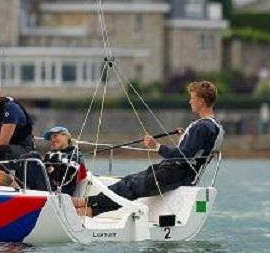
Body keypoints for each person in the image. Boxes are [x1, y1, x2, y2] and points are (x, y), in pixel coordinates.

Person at [77, 81, 224, 217]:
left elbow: (183, 156)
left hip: (175, 173)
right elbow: (196, 151)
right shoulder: (213, 126)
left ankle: (84, 203)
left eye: (192, 98)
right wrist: (186, 136)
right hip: (176, 171)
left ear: (201, 101)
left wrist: (157, 146)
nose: (190, 101)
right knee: (128, 182)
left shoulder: (203, 127)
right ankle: (91, 210)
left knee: (130, 186)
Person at [42, 126, 86, 196]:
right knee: (32, 156)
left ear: (66, 136)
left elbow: (68, 178)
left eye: (55, 136)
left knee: (33, 155)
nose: (53, 140)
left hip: (62, 193)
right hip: (46, 189)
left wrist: (55, 165)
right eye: (51, 138)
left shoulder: (75, 154)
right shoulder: (50, 154)